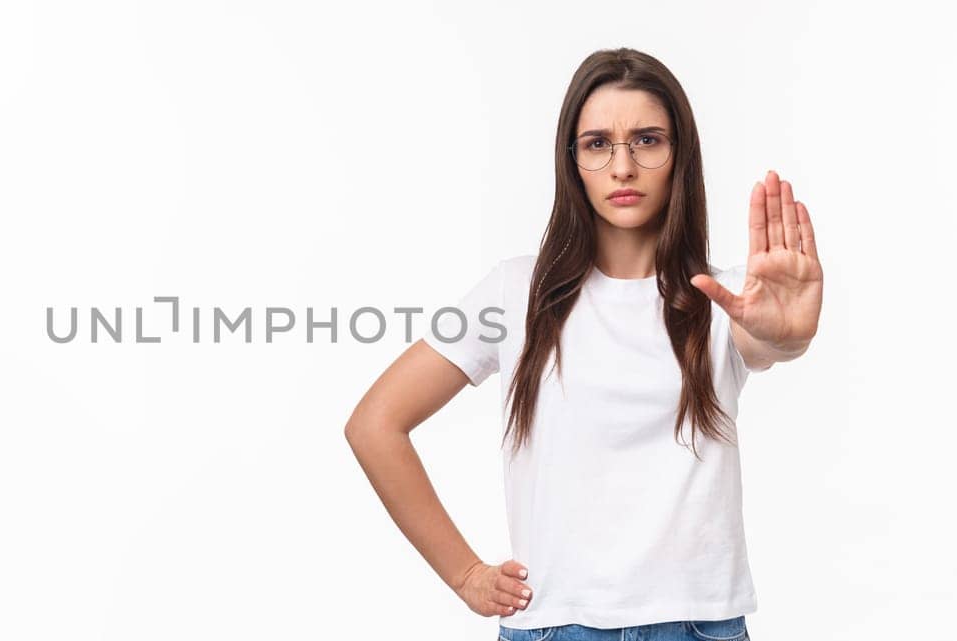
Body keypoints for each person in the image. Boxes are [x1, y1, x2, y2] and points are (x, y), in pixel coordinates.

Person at [343, 48, 823, 641]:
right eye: (598, 144)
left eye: (647, 140)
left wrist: (787, 338)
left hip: (699, 627)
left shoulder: (722, 297)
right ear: (572, 162)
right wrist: (465, 574)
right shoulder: (514, 290)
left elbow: (766, 342)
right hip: (555, 627)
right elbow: (375, 424)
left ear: (680, 156)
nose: (623, 166)